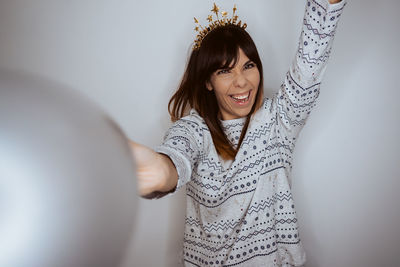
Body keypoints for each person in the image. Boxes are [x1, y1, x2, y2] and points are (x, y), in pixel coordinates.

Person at [130, 0, 346, 266]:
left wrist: (328, 4)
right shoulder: (194, 130)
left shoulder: (279, 120)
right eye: (224, 71)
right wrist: (162, 172)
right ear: (208, 82)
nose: (242, 81)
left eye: (248, 66)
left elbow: (308, 69)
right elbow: (177, 154)